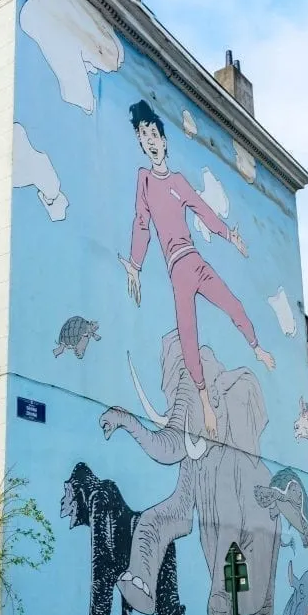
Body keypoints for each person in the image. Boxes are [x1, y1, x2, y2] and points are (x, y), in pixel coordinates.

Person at [119, 100, 274, 437]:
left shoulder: (178, 180)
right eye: (142, 135)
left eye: (153, 134)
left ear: (164, 140)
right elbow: (141, 224)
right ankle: (205, 403)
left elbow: (203, 209)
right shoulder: (144, 179)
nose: (149, 140)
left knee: (232, 302)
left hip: (195, 261)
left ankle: (256, 346)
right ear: (140, 142)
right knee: (188, 334)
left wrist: (229, 235)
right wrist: (134, 264)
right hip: (177, 271)